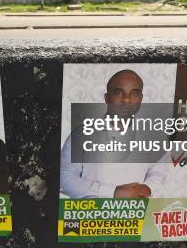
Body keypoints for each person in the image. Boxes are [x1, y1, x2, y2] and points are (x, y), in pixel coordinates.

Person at [60, 70, 167, 199]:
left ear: (141, 99)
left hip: (136, 214)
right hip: (92, 214)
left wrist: (147, 188)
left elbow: (158, 173)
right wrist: (113, 192)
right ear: (107, 97)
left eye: (134, 93)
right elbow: (64, 178)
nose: (126, 100)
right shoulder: (82, 134)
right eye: (118, 92)